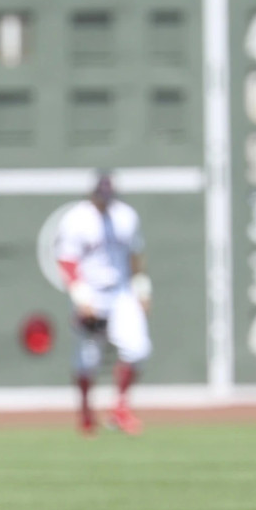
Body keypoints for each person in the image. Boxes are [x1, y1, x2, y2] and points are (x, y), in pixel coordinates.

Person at [54, 171, 151, 436]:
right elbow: (66, 260)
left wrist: (141, 289)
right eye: (101, 193)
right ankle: (86, 412)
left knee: (138, 348)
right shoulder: (77, 219)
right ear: (92, 192)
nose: (105, 198)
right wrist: (81, 297)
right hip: (91, 292)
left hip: (120, 292)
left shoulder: (126, 216)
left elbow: (136, 256)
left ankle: (120, 409)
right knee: (88, 359)